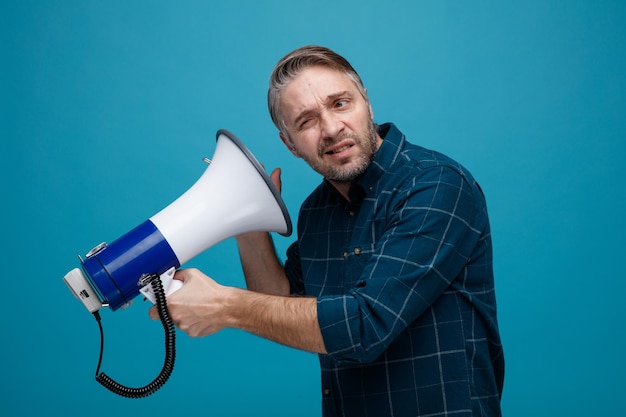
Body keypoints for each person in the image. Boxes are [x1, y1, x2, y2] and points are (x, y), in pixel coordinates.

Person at [149, 45, 505, 416]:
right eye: (306, 121)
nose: (332, 129)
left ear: (366, 103)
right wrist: (246, 221)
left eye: (340, 104)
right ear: (290, 145)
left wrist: (224, 306)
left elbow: (366, 326)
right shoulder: (317, 211)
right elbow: (281, 305)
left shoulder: (435, 186)